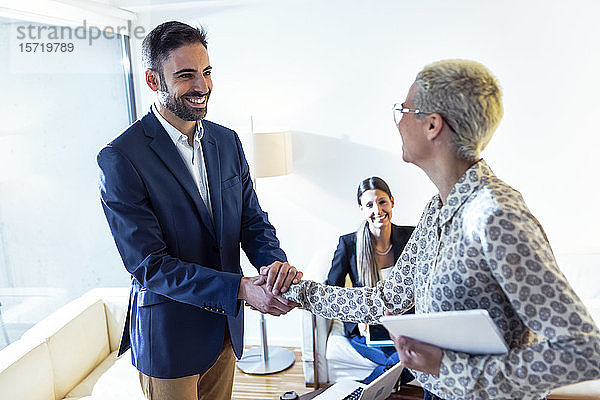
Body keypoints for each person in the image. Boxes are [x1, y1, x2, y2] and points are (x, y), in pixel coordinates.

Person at [275, 59, 600, 400]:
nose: (398, 122)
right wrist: (297, 293)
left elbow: (582, 350)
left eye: (404, 109)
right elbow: (386, 299)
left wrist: (450, 367)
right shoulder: (435, 211)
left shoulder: (497, 217)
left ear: (433, 125)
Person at [97, 21, 300, 400]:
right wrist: (240, 288)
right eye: (186, 75)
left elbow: (251, 219)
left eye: (206, 72)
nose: (202, 86)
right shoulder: (121, 157)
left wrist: (273, 267)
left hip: (225, 329)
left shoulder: (227, 141)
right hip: (169, 338)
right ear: (153, 80)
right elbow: (148, 265)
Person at [326, 176, 415, 384]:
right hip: (367, 328)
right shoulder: (348, 244)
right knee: (401, 360)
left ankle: (361, 391)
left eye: (382, 201)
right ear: (361, 209)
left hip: (403, 324)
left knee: (409, 355)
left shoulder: (411, 236)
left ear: (392, 202)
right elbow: (332, 290)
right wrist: (357, 318)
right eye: (369, 205)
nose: (377, 209)